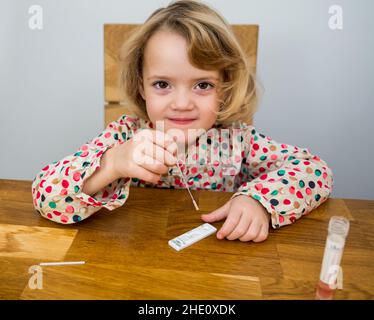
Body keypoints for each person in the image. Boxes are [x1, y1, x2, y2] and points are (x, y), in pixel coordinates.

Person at [32, 0, 333, 243]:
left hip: (215, 268)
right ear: (141, 86)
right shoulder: (124, 136)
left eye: (202, 85)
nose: (181, 103)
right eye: (162, 84)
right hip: (134, 265)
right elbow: (46, 196)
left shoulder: (238, 140)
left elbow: (315, 170)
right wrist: (111, 164)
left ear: (224, 88)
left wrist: (259, 201)